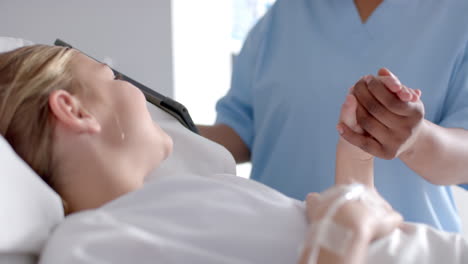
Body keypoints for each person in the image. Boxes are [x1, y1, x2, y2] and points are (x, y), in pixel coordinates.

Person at [1, 45, 466, 264]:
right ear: (72, 109)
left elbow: (367, 224)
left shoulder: (194, 193)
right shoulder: (85, 246)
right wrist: (345, 224)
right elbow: (346, 235)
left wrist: (356, 150)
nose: (133, 90)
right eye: (111, 76)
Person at [198, 0, 468, 233]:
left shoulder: (457, 17)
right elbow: (239, 132)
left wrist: (415, 139)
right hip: (277, 244)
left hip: (405, 250)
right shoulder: (284, 15)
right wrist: (163, 123)